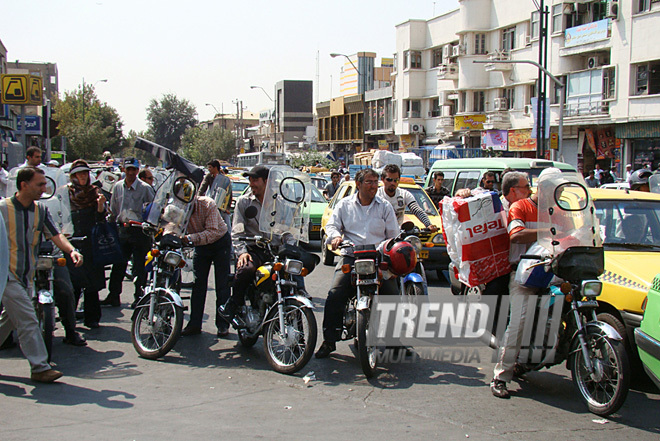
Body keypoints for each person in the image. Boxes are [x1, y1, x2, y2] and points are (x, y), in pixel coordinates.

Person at [0, 167, 84, 383]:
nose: (44, 188)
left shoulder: (41, 210)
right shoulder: (3, 208)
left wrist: (72, 250)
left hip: (25, 275)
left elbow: (55, 235)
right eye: (39, 184)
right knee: (28, 318)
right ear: (23, 185)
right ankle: (39, 366)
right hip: (5, 275)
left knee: (8, 320)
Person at [315, 168, 400, 359]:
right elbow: (332, 226)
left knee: (392, 292)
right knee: (335, 293)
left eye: (375, 182)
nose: (374, 186)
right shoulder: (344, 205)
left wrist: (391, 250)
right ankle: (329, 341)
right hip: (351, 256)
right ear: (358, 184)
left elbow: (393, 235)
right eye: (369, 182)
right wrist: (335, 237)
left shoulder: (385, 206)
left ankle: (395, 340)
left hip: (378, 258)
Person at [491, 171, 541, 399]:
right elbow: (516, 235)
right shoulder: (517, 207)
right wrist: (549, 232)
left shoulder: (559, 208)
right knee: (518, 322)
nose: (530, 190)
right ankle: (500, 376)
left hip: (551, 269)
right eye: (526, 186)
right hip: (522, 271)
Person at [217, 165, 270, 326]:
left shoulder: (279, 202)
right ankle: (233, 304)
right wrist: (242, 252)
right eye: (250, 179)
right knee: (246, 269)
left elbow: (289, 229)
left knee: (295, 269)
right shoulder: (244, 202)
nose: (252, 183)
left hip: (274, 251)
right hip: (253, 249)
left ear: (266, 181)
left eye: (255, 180)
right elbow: (237, 231)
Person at [101, 158, 155, 307]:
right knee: (118, 264)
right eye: (128, 169)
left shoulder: (145, 188)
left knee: (139, 266)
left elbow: (153, 209)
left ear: (138, 171)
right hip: (122, 229)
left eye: (134, 170)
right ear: (124, 169)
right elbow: (113, 209)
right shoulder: (118, 186)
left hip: (140, 231)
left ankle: (139, 296)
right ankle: (113, 295)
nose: (131, 172)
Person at [180, 192, 232, 338]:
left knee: (222, 284)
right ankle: (194, 324)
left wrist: (188, 238)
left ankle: (223, 325)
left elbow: (212, 233)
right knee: (198, 285)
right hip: (200, 244)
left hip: (219, 242)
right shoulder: (179, 207)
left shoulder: (207, 204)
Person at [67, 160, 107, 329]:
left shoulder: (94, 192)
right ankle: (69, 318)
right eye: (79, 173)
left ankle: (92, 318)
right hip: (72, 241)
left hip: (90, 241)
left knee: (91, 282)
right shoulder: (67, 193)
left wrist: (100, 206)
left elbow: (101, 219)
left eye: (85, 173)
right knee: (72, 282)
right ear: (74, 176)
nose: (83, 176)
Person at [377, 164, 438, 232]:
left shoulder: (404, 194)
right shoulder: (377, 195)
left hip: (397, 233)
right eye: (389, 180)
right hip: (379, 234)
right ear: (382, 179)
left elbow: (416, 209)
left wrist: (428, 224)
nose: (392, 183)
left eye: (395, 180)